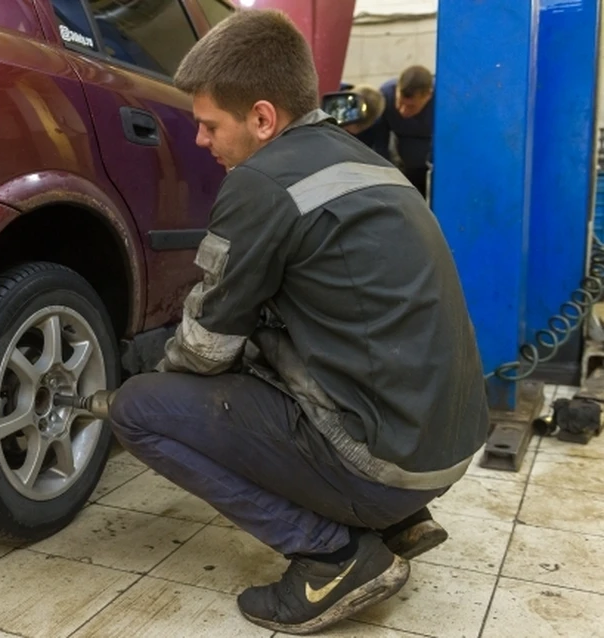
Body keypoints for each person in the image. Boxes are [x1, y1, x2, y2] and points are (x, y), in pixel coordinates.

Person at [107, 10, 488, 636]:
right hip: (444, 446)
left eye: (209, 125)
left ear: (262, 118)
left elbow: (205, 349)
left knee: (139, 411)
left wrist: (150, 368)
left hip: (385, 465)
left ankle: (332, 558)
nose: (200, 141)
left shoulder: (261, 182)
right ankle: (394, 523)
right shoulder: (361, 159)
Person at [366, 65, 435, 197]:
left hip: (434, 168)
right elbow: (380, 143)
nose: (403, 111)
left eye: (411, 106)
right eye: (399, 102)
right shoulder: (386, 96)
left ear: (428, 96)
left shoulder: (445, 101)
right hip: (404, 166)